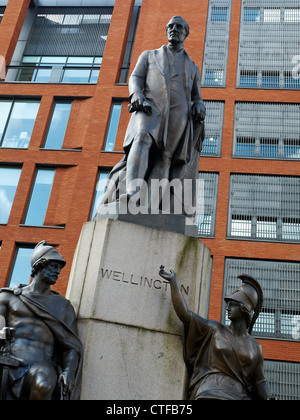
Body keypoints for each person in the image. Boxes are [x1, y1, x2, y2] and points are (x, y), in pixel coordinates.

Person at [100, 16, 206, 214]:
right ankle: (133, 191)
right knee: (141, 139)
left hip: (179, 113)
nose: (174, 29)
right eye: (171, 26)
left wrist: (199, 105)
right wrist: (137, 94)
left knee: (166, 157)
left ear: (186, 33)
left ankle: (151, 204)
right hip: (150, 106)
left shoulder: (192, 67)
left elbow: (196, 96)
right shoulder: (149, 55)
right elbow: (135, 77)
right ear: (166, 30)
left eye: (179, 27)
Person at [159, 267, 274, 400]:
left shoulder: (255, 347)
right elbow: (185, 315)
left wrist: (268, 397)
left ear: (244, 309)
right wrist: (173, 283)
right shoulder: (214, 329)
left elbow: (259, 382)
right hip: (212, 390)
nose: (227, 308)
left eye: (232, 305)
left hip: (239, 395)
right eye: (228, 304)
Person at [0, 241, 82, 400]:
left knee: (43, 384)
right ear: (39, 265)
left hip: (41, 365)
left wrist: (69, 371)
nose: (58, 271)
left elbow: (72, 346)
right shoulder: (8, 297)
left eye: (60, 267)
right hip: (8, 361)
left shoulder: (63, 306)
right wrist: (2, 333)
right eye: (53, 266)